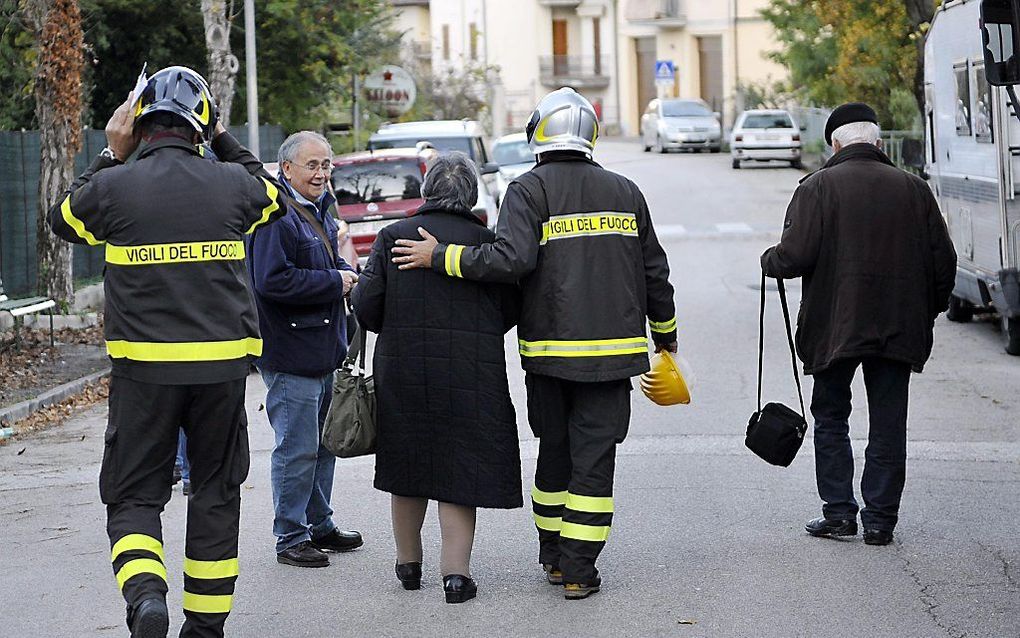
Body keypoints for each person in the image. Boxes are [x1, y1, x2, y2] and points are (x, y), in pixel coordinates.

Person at [391, 88, 677, 599]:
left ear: (539, 133)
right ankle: (578, 571)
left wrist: (441, 257)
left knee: (555, 455)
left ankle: (552, 555)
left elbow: (510, 260)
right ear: (589, 132)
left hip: (549, 357)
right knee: (594, 461)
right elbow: (655, 272)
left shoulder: (529, 189)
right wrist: (666, 338)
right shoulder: (626, 191)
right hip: (613, 361)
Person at [49, 66, 288, 638]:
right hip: (222, 372)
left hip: (144, 373)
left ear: (138, 124)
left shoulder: (113, 187)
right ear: (201, 123)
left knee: (133, 494)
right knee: (215, 493)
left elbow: (62, 220)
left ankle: (146, 597)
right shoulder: (232, 184)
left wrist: (109, 154)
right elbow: (274, 196)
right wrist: (224, 136)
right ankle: (204, 628)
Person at [761, 102, 957, 546]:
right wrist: (927, 310)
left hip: (834, 327)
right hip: (898, 327)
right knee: (889, 422)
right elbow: (943, 263)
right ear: (878, 141)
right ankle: (881, 522)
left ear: (834, 143)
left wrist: (769, 260)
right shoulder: (914, 189)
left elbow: (793, 256)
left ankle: (839, 514)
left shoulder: (817, 187)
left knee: (831, 417)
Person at [352, 152, 522, 604]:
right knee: (458, 469)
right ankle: (456, 577)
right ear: (469, 196)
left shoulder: (392, 238)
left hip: (403, 373)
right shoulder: (487, 244)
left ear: (426, 192)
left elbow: (366, 310)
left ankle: (408, 566)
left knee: (406, 466)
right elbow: (510, 311)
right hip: (472, 373)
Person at [248, 131, 362, 568]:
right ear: (287, 169)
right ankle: (290, 536)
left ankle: (320, 524)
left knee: (324, 444)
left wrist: (344, 272)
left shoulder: (317, 209)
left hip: (323, 349)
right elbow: (271, 280)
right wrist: (335, 282)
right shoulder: (275, 215)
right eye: (312, 166)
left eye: (326, 165)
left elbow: (326, 260)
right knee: (297, 449)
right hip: (292, 353)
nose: (320, 173)